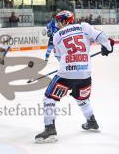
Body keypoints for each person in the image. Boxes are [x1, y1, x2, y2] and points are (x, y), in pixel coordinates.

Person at [35, 10, 114, 143]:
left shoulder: (57, 35)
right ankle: (91, 121)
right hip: (85, 74)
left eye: (59, 21)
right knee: (81, 97)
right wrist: (107, 47)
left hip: (66, 74)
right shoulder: (84, 26)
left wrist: (70, 62)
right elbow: (101, 36)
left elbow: (60, 58)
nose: (58, 24)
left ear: (65, 21)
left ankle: (49, 129)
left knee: (49, 97)